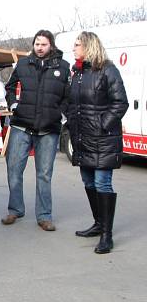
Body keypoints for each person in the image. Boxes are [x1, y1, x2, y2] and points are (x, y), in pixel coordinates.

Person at [2, 29, 70, 231]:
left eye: (44, 44)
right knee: (14, 169)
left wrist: (61, 113)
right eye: (37, 44)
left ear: (51, 46)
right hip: (22, 125)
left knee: (44, 174)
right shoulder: (23, 64)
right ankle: (15, 209)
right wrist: (14, 104)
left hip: (49, 128)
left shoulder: (63, 67)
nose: (40, 48)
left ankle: (44, 215)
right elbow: (10, 87)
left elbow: (68, 95)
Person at [66, 31, 128, 253]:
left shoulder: (108, 70)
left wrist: (102, 123)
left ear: (89, 46)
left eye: (77, 44)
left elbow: (120, 103)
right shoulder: (78, 73)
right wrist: (71, 121)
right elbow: (70, 102)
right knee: (88, 181)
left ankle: (106, 235)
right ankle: (98, 222)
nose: (73, 48)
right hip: (83, 138)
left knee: (102, 183)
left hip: (103, 139)